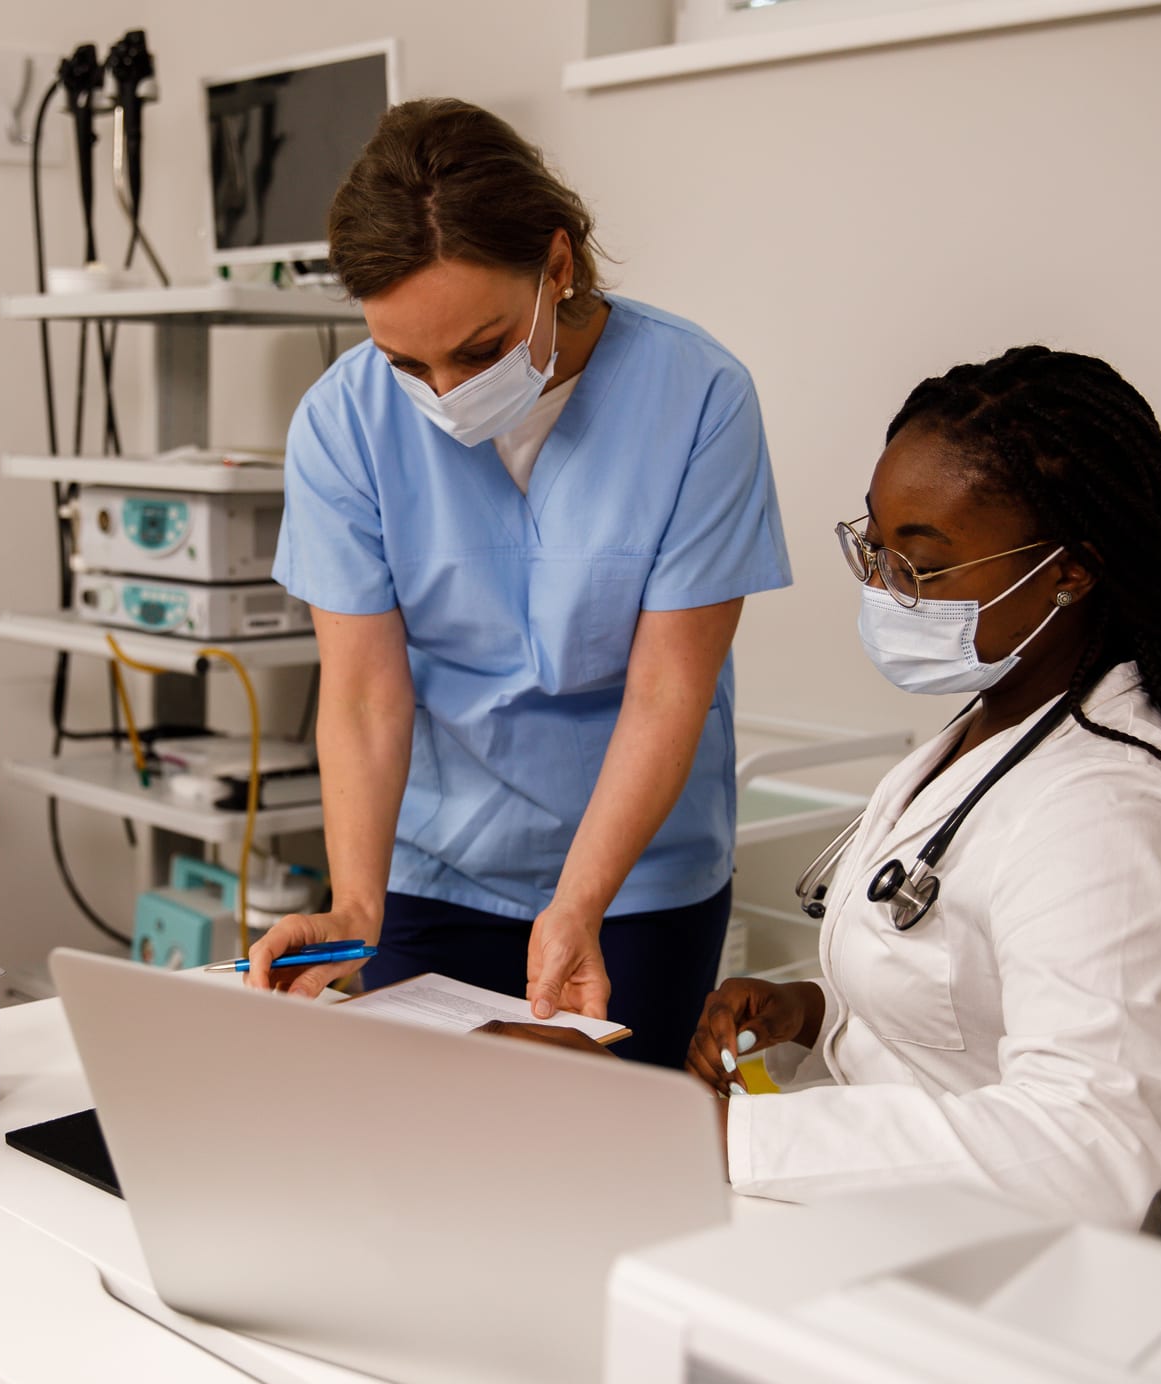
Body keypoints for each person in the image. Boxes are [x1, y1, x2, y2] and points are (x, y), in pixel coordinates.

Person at [493, 346, 1161, 1235]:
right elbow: (967, 1009)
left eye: (921, 567)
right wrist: (815, 1013)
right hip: (895, 1229)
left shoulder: (1105, 812)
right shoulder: (997, 727)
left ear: (1068, 571)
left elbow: (1087, 1144)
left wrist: (729, 1134)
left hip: (1022, 1280)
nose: (887, 591)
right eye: (875, 548)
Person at [247, 99, 791, 1068]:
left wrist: (580, 903)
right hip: (438, 869)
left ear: (557, 266)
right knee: (428, 1164)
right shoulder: (344, 424)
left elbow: (668, 687)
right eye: (405, 360)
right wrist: (356, 904)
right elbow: (368, 693)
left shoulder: (700, 399)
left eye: (482, 349)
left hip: (641, 886)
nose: (446, 395)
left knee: (617, 1172)